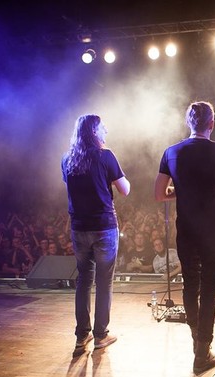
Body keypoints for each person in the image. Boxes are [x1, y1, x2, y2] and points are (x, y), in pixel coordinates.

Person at [154, 101, 215, 374]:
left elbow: (160, 194)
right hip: (213, 231)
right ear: (212, 123)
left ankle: (197, 339)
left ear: (188, 122)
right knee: (209, 291)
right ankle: (203, 350)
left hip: (186, 232)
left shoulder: (171, 152)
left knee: (190, 286)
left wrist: (179, 191)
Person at [62, 114, 130, 351]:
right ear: (94, 132)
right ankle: (100, 335)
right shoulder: (105, 156)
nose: (106, 130)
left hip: (79, 228)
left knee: (83, 281)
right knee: (104, 283)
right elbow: (125, 190)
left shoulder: (67, 159)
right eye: (103, 127)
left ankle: (82, 336)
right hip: (103, 228)